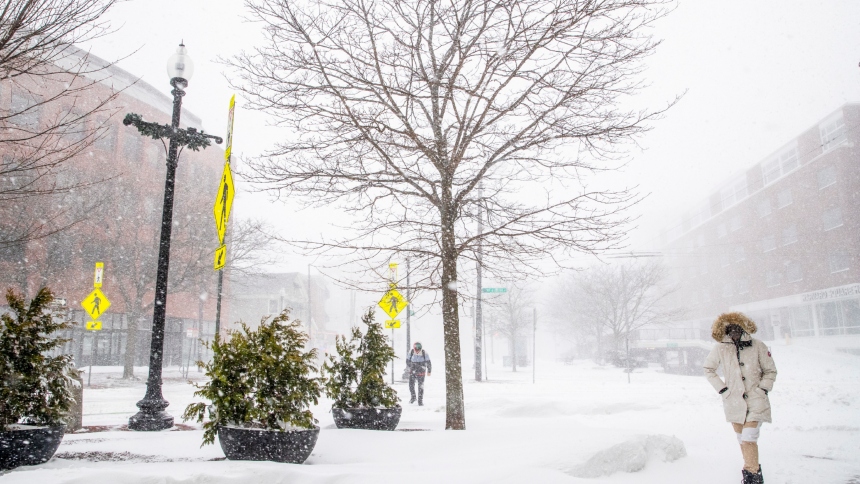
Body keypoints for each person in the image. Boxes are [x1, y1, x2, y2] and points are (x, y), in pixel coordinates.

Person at [703, 312, 777, 484]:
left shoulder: (758, 345)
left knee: (749, 436)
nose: (734, 333)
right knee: (742, 439)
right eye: (730, 330)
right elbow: (708, 369)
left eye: (738, 329)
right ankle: (752, 474)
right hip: (733, 401)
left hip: (756, 399)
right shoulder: (720, 348)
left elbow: (770, 370)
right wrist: (723, 390)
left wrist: (763, 389)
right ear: (725, 331)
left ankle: (752, 475)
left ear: (744, 328)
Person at [406, 341, 431, 406]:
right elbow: (407, 360)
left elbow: (428, 362)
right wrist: (411, 366)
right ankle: (413, 397)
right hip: (413, 370)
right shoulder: (411, 352)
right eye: (415, 347)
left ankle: (420, 400)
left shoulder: (424, 353)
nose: (417, 349)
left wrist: (429, 370)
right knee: (411, 384)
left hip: (421, 370)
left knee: (420, 386)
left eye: (418, 347)